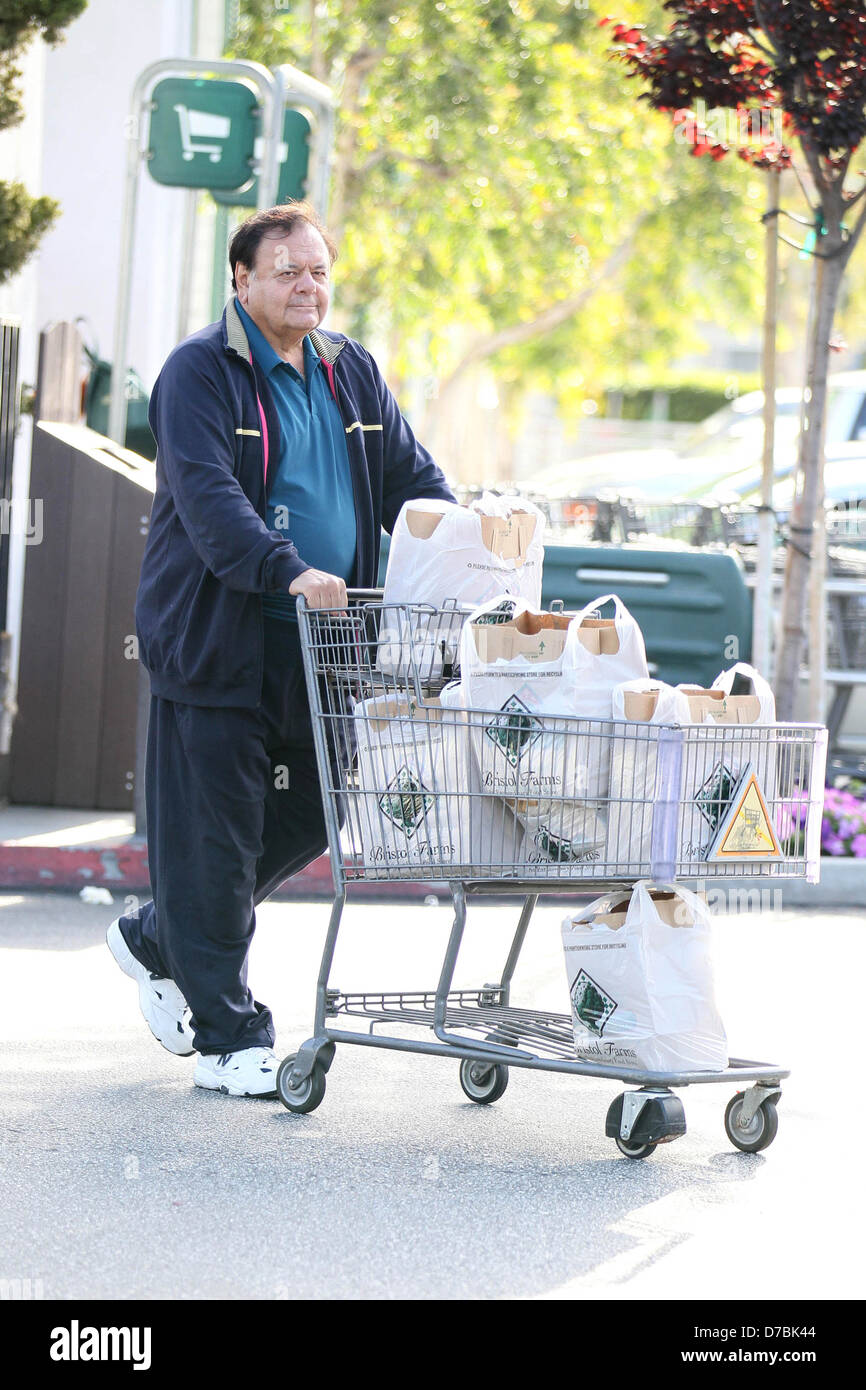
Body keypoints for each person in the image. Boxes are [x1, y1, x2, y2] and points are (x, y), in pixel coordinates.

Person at [107, 201, 454, 1096]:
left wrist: (469, 532)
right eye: (288, 271)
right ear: (242, 280)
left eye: (319, 271)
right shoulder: (198, 373)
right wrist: (287, 567)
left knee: (315, 813)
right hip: (222, 639)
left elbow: (411, 479)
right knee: (214, 840)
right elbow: (213, 501)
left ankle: (158, 936)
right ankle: (227, 1038)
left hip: (327, 648)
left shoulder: (348, 371)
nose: (308, 287)